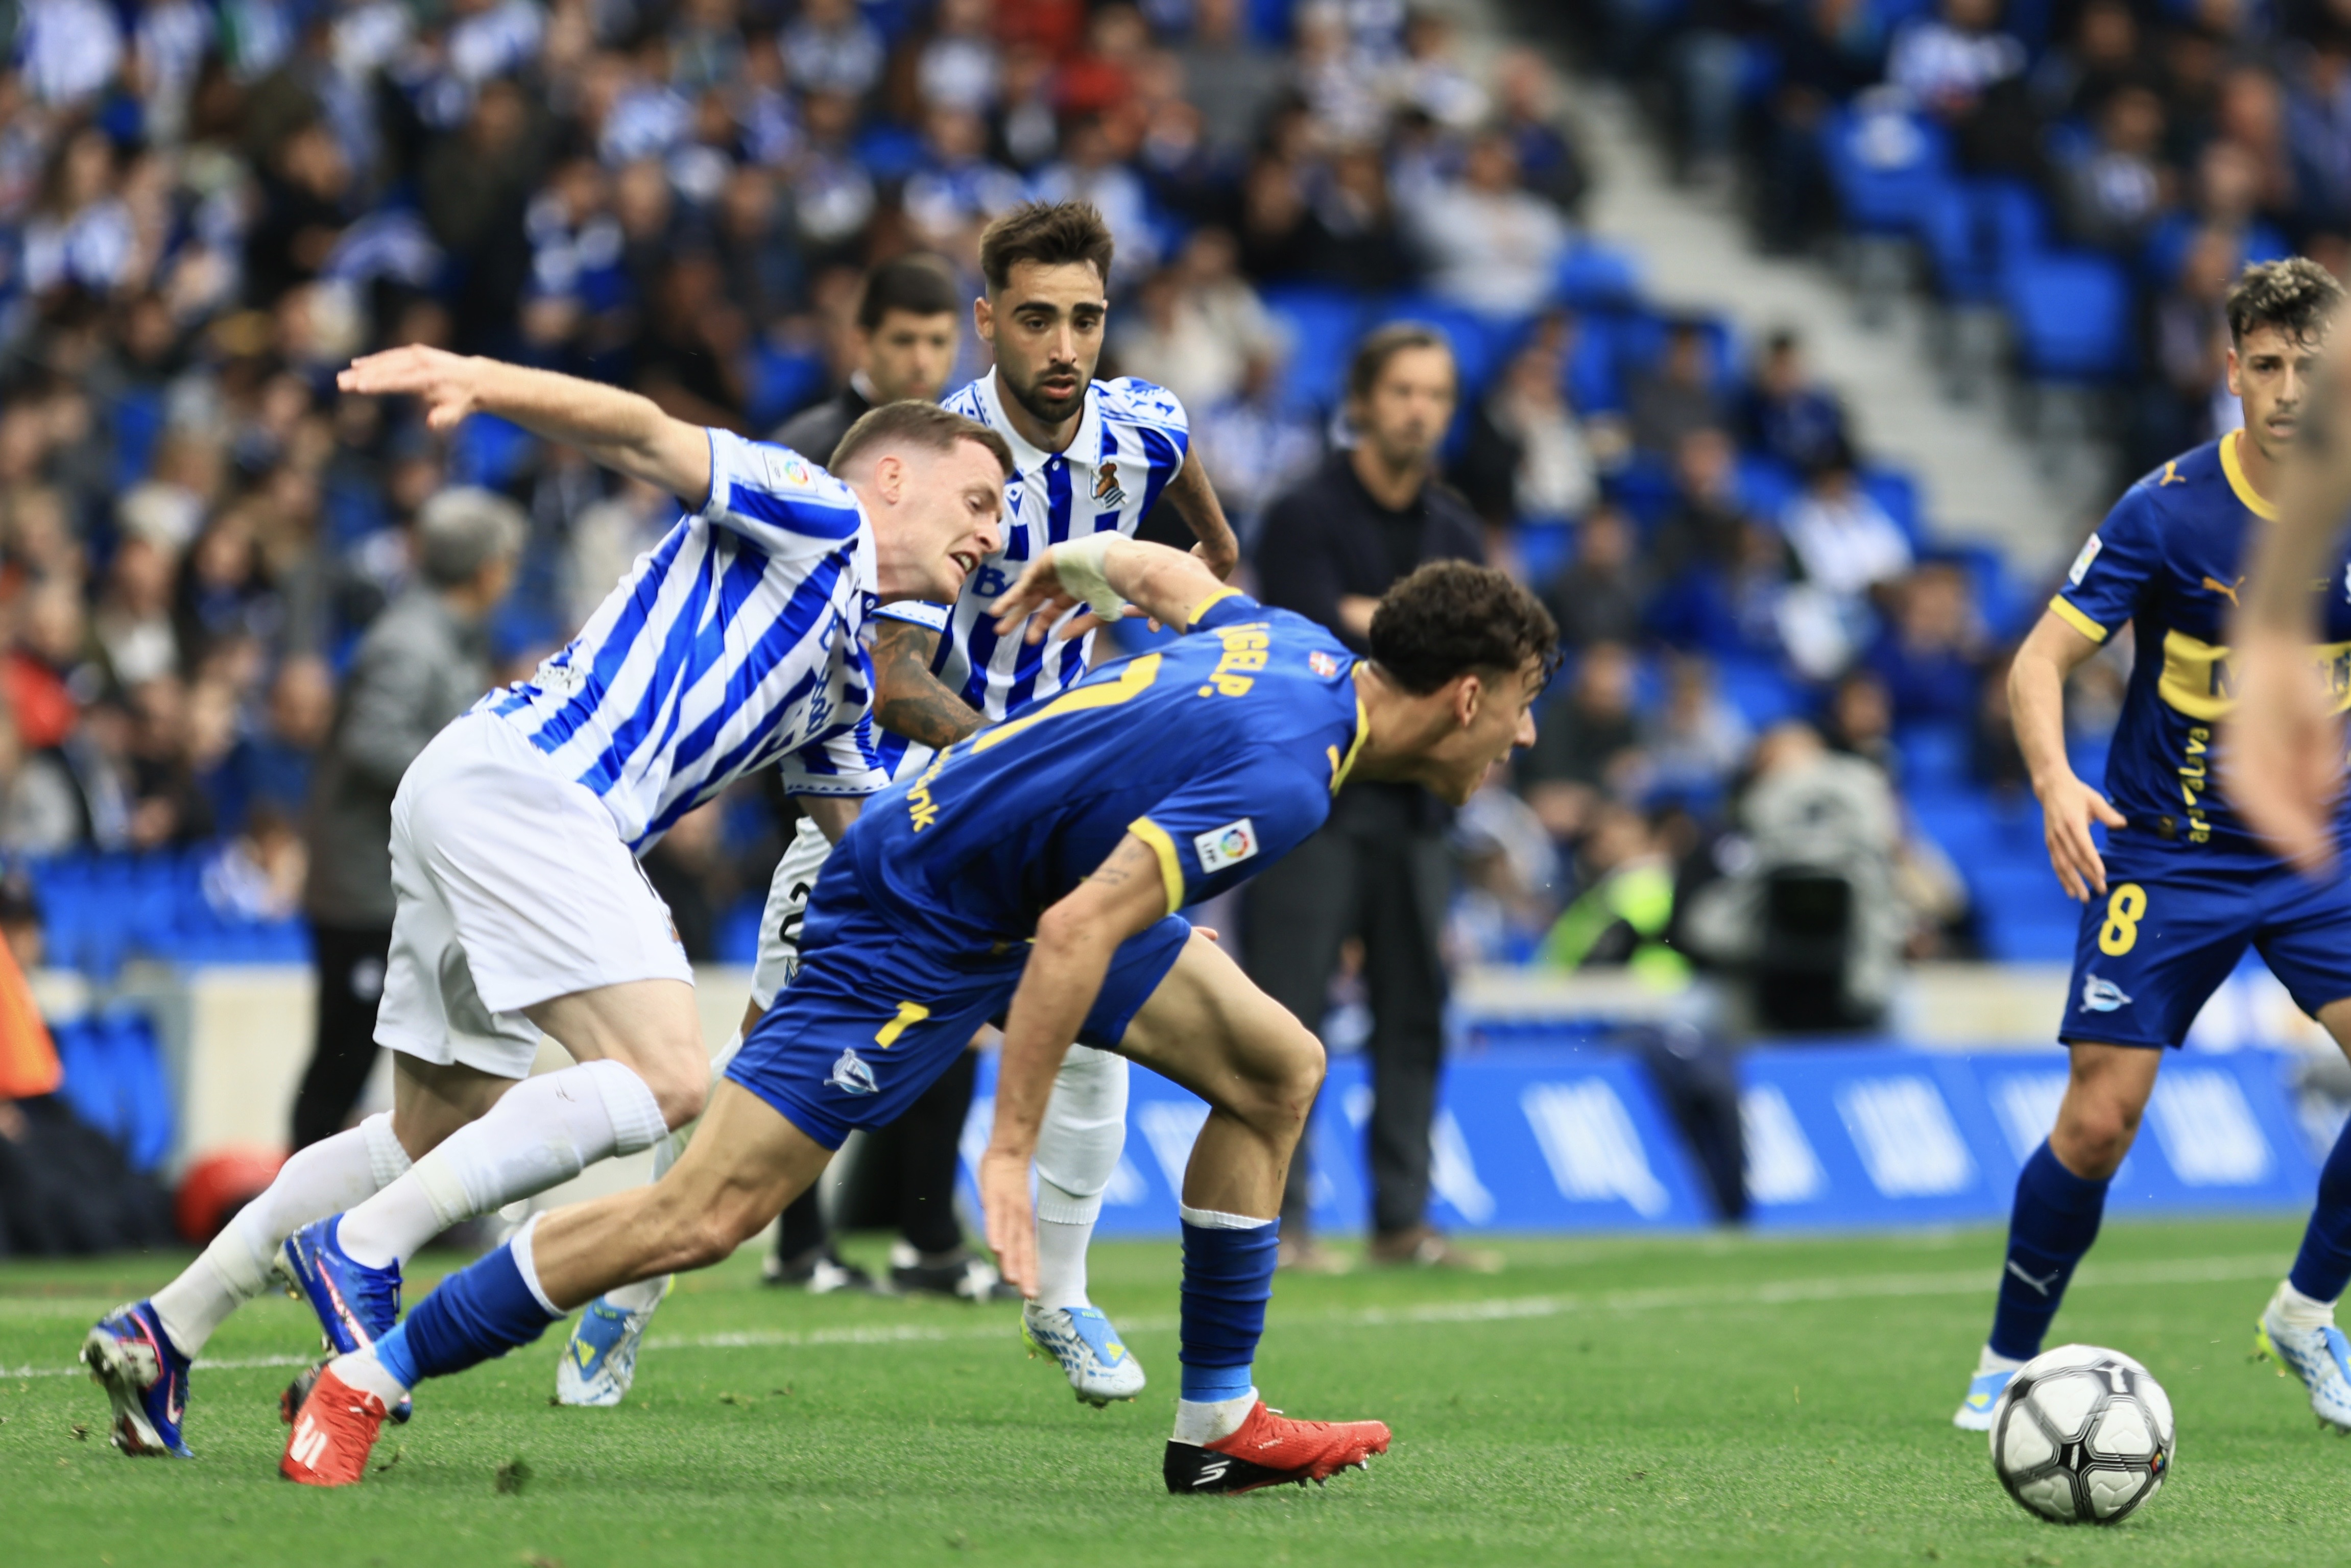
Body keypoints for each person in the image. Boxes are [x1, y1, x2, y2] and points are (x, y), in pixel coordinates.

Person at [273, 537, 1557, 1493]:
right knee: (702, 1214)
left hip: (1016, 883)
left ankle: (1218, 1423)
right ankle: (364, 1377)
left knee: (1277, 1066)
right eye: (1518, 701)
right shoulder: (1286, 773)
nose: (1522, 730)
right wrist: (1004, 1144)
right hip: (916, 910)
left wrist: (1078, 560)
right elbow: (1074, 936)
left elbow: (1170, 580)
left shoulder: (1292, 646)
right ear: (1463, 695)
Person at [80, 353, 1009, 1460]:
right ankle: (364, 1247)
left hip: (469, 785)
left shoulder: (847, 672)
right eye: (982, 501)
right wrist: (477, 377)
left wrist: (1005, 930)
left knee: (438, 1124)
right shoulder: (819, 511)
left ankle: (165, 1324)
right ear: (893, 476)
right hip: (540, 790)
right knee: (666, 1073)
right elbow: (643, 427)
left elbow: (862, 845)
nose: (993, 535)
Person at [564, 199, 1242, 1408]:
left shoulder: (1137, 423)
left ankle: (1062, 1294)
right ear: (989, 324)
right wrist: (1023, 753)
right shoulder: (949, 456)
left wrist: (1204, 572)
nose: (1064, 345)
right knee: (767, 1047)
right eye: (1036, 318)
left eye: (1085, 318)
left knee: (1099, 1043)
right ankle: (626, 1290)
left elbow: (1183, 469)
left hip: (1057, 806)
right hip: (898, 792)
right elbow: (892, 679)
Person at [1953, 258, 2351, 1434]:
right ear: (2227, 369)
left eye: (2307, 366)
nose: (2285, 390)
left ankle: (2301, 1309)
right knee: (2096, 1120)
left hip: (2317, 854)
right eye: (2263, 365)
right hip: (2165, 855)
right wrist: (2053, 781)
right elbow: (2035, 661)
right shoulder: (2165, 509)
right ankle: (1999, 1362)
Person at [1245, 323, 1490, 1273]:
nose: (1418, 410)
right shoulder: (1303, 513)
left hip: (1417, 808)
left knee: (1414, 1011)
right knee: (1283, 1015)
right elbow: (1313, 642)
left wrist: (1378, 622)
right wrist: (1420, 629)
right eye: (1401, 391)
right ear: (1359, 401)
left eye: (1434, 394)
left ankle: (1402, 1220)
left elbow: (1473, 657)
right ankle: (1277, 1222)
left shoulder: (1455, 528)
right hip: (1313, 797)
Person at [291, 488, 521, 1154]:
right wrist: (464, 786)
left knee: (402, 1051)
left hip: (396, 882)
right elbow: (372, 740)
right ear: (487, 569)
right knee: (344, 1051)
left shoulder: (447, 637)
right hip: (363, 888)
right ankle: (288, 1211)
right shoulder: (411, 643)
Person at [772, 254, 964, 464]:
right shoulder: (801, 455)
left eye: (938, 342)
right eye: (903, 341)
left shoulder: (977, 449)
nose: (922, 362)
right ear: (863, 344)